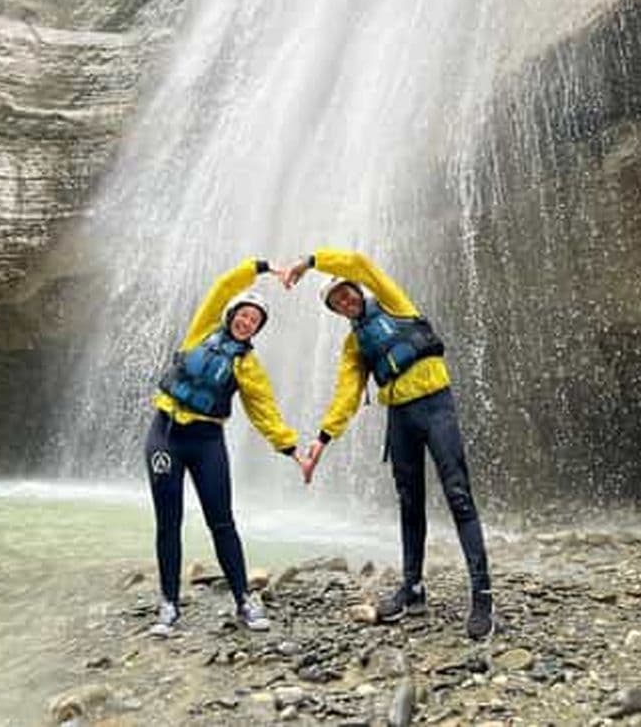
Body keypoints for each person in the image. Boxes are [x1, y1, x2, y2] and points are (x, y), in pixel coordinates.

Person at [282, 248, 494, 639]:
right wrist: (322, 441)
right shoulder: (354, 346)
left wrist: (309, 263)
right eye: (337, 302)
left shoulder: (393, 302)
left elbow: (358, 263)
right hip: (400, 417)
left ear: (357, 290)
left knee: (458, 495)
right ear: (336, 311)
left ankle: (482, 595)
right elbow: (347, 395)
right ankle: (412, 590)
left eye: (346, 293)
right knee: (409, 501)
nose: (345, 301)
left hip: (435, 405)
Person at [145, 257, 300, 636]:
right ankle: (168, 604)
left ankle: (244, 599)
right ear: (231, 314)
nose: (246, 322)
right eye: (243, 315)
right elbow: (224, 286)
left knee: (222, 521)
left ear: (257, 330)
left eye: (254, 322)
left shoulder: (247, 366)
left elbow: (264, 411)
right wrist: (263, 268)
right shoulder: (201, 331)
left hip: (206, 442)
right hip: (164, 436)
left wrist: (292, 449)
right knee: (169, 522)